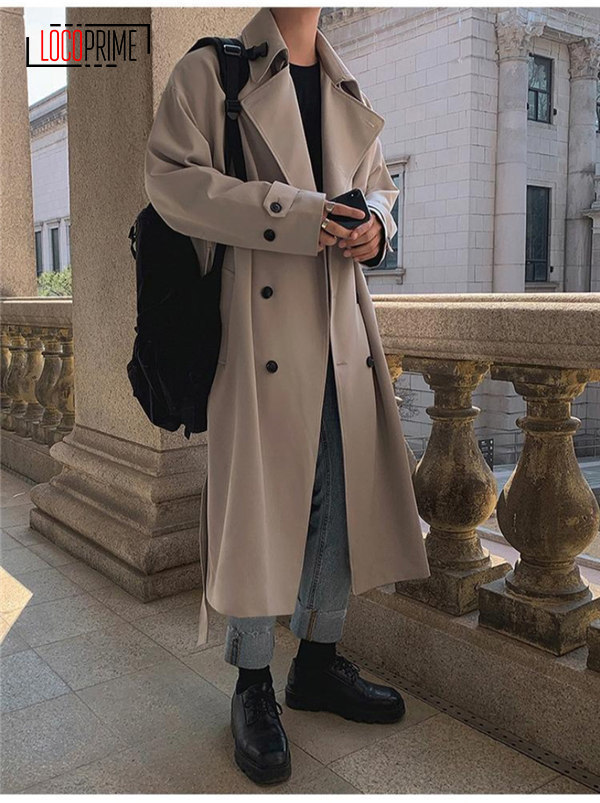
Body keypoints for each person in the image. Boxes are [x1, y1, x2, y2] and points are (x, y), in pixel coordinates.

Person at [145, 6, 430, 786]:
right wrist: (293, 213)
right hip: (258, 334)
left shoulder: (343, 86)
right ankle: (251, 683)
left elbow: (380, 190)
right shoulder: (214, 72)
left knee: (342, 492)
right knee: (260, 505)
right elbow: (170, 181)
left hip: (341, 328)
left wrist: (376, 226)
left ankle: (318, 660)